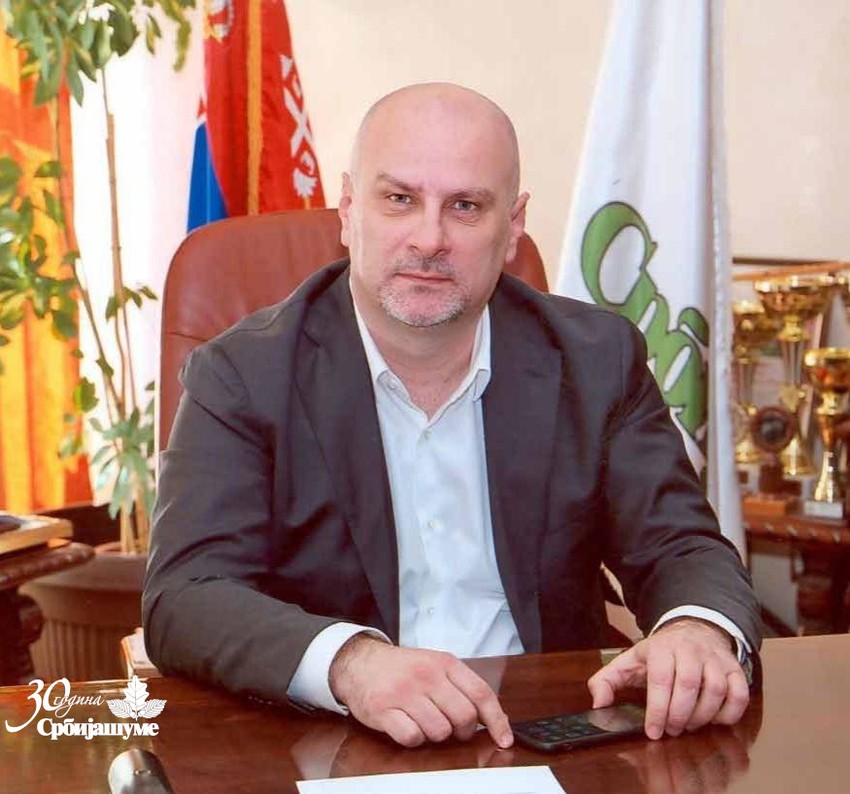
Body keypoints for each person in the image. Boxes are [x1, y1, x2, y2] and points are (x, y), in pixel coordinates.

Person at [143, 82, 761, 751]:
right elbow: (187, 594)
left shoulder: (595, 360)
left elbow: (678, 545)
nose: (429, 239)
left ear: (513, 225)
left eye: (466, 207)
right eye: (399, 199)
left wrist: (696, 628)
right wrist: (352, 664)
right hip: (334, 740)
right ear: (349, 210)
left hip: (548, 729)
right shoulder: (243, 375)